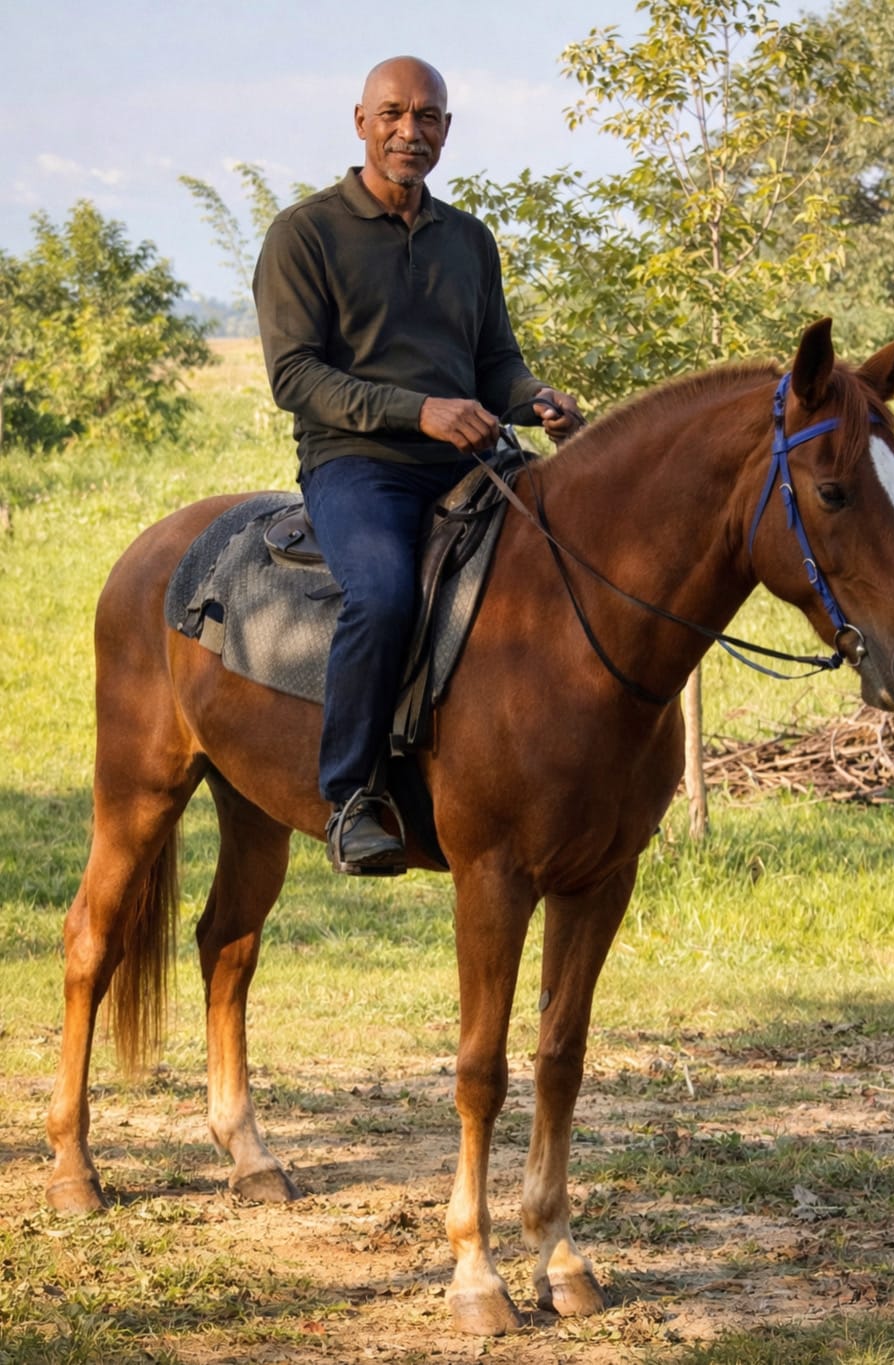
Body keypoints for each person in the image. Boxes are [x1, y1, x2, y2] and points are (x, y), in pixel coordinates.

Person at [253, 55, 584, 876]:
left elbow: (495, 362)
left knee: (575, 554)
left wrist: (534, 397)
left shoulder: (469, 239)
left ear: (447, 129)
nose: (412, 131)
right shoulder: (305, 234)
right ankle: (353, 794)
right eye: (394, 114)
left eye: (428, 117)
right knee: (384, 591)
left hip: (473, 458)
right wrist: (419, 410)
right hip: (359, 464)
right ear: (361, 122)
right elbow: (295, 376)